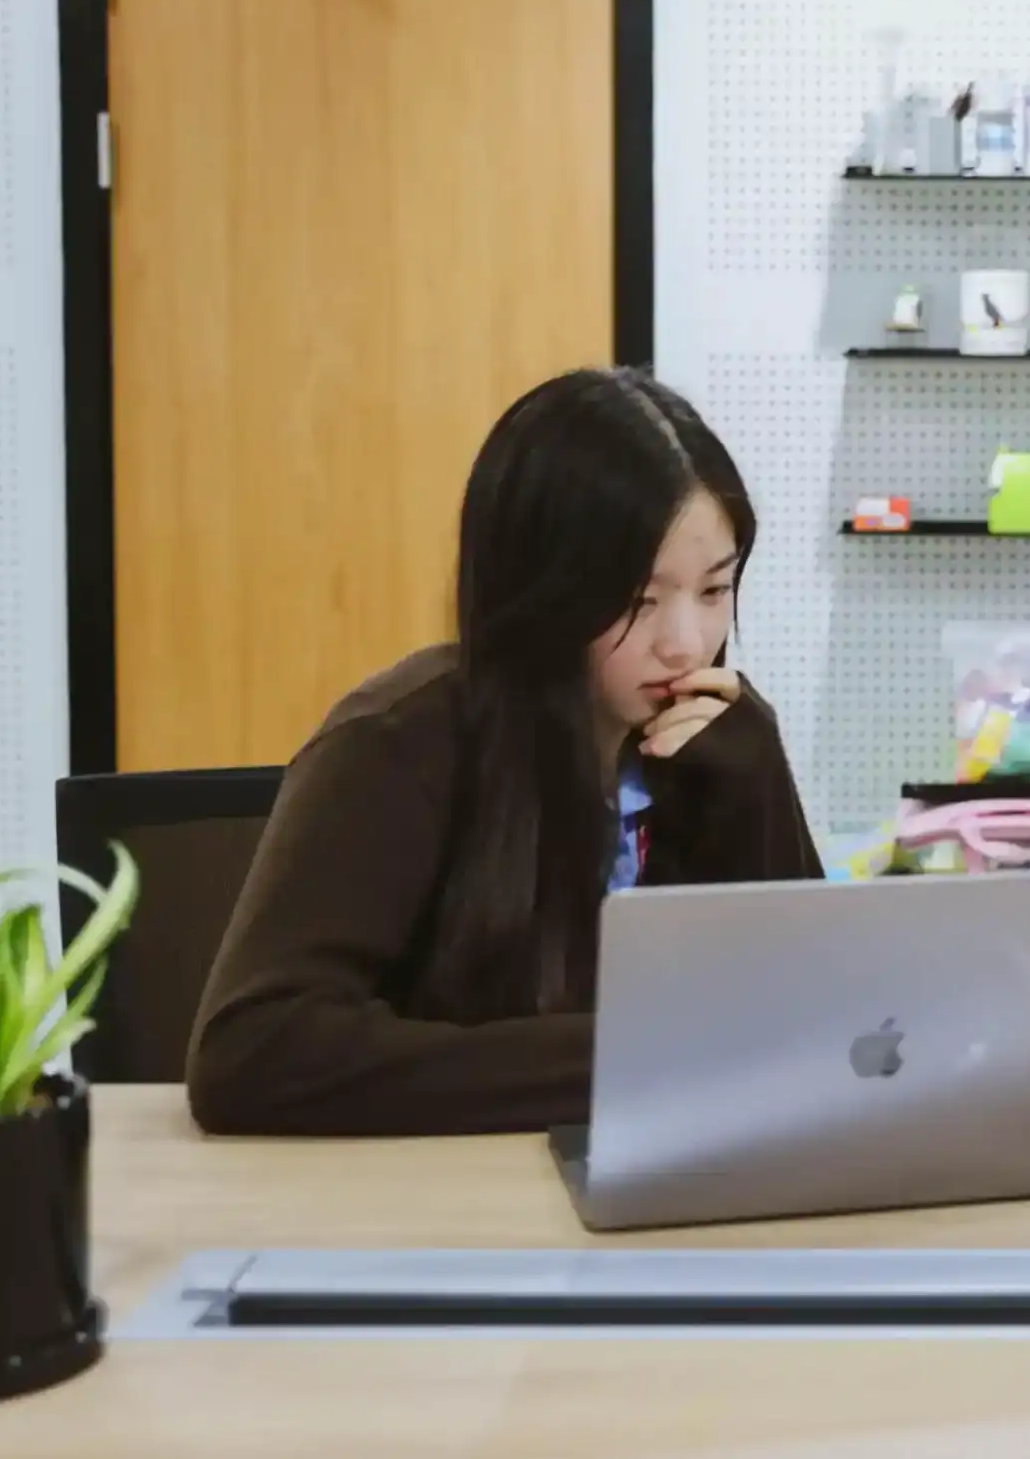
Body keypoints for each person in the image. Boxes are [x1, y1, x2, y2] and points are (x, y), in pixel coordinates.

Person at [186, 368, 822, 1137]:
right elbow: (253, 1052)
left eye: (715, 592)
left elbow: (810, 1030)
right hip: (433, 1211)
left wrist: (756, 788)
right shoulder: (400, 742)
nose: (686, 644)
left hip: (668, 1187)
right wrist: (632, 1058)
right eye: (637, 601)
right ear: (545, 591)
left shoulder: (722, 738)